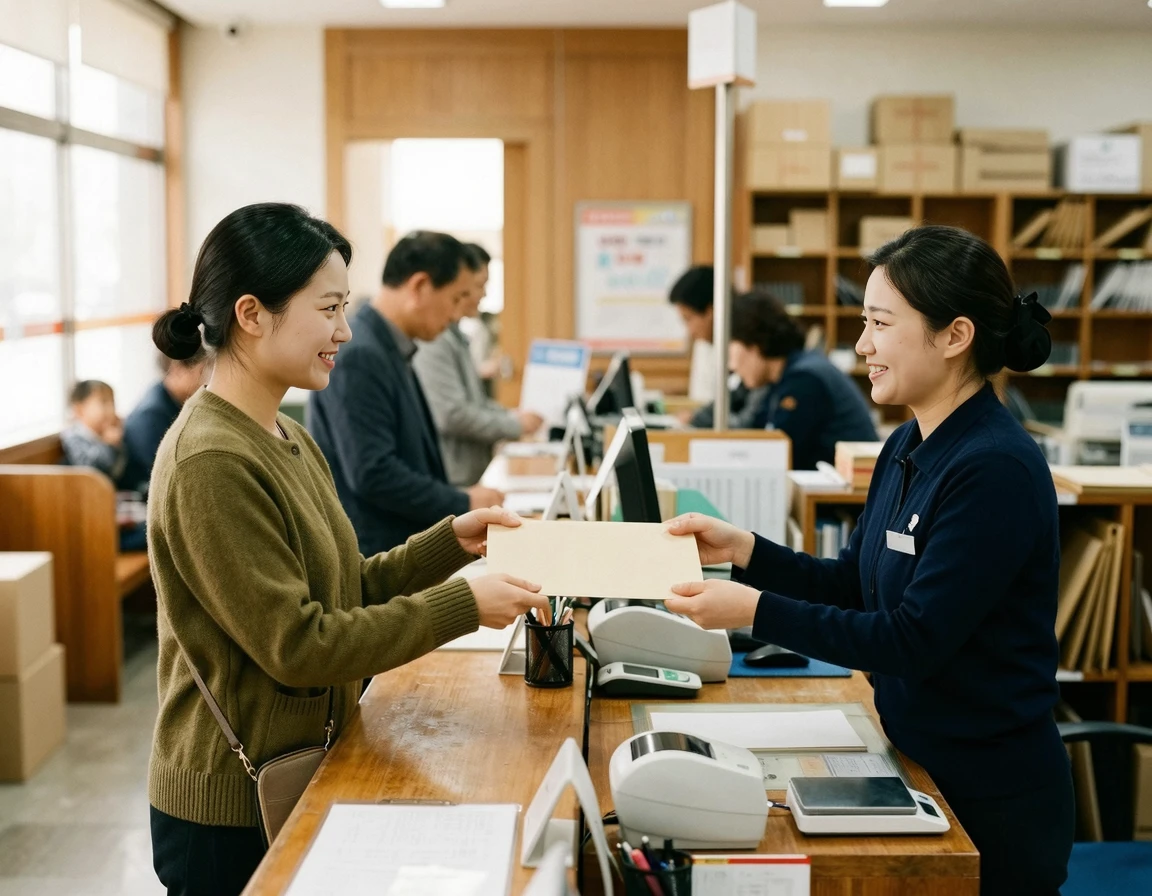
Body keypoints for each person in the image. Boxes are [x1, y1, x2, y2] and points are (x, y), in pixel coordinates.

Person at [146, 203, 548, 896]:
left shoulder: (285, 434)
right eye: (329, 308)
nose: (345, 330)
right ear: (252, 314)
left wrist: (449, 543)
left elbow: (343, 589)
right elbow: (299, 644)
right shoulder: (210, 461)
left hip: (297, 764)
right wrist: (461, 606)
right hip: (231, 807)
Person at [664, 225, 1072, 895]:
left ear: (955, 335)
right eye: (864, 323)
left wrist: (754, 611)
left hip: (988, 800)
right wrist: (746, 551)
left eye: (880, 324)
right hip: (913, 761)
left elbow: (913, 641)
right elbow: (853, 584)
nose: (862, 345)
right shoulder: (907, 443)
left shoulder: (995, 468)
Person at [308, 231, 504, 555]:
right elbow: (373, 473)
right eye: (455, 298)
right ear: (420, 286)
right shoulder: (362, 354)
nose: (456, 314)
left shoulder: (392, 345)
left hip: (397, 548)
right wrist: (461, 500)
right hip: (375, 553)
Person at [413, 243, 544, 486]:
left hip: (468, 473)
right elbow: (452, 415)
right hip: (453, 478)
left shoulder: (455, 335)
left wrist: (510, 415)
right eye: (478, 285)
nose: (482, 295)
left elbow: (474, 402)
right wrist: (514, 424)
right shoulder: (435, 340)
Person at [729, 290, 878, 469]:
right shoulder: (785, 377)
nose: (731, 365)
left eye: (730, 347)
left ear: (754, 344)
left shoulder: (804, 380)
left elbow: (779, 455)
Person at [667, 265, 759, 427]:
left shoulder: (747, 350)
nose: (689, 331)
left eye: (689, 319)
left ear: (711, 312)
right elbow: (703, 400)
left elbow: (746, 420)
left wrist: (697, 418)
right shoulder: (706, 345)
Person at [61, 380, 146, 550]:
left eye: (112, 402)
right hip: (92, 513)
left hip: (115, 504)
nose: (110, 409)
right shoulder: (74, 438)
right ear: (79, 410)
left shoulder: (109, 436)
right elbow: (93, 473)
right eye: (103, 402)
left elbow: (122, 472)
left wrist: (117, 444)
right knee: (148, 533)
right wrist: (109, 446)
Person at [119, 349, 210, 494]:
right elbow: (167, 472)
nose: (206, 380)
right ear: (177, 369)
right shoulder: (152, 414)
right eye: (202, 371)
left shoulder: (171, 400)